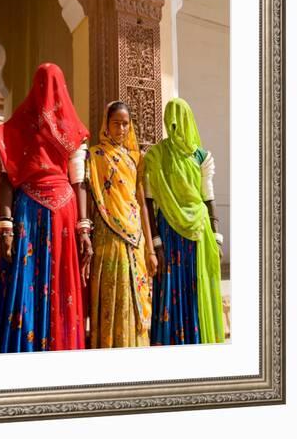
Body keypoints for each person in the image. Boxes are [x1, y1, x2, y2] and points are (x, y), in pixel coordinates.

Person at [0, 62, 92, 353]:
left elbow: (78, 179)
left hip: (42, 214)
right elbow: (77, 181)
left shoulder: (55, 129)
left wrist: (84, 228)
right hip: (44, 214)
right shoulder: (32, 127)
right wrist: (5, 226)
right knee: (30, 283)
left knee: (43, 284)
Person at [144, 98, 225, 345]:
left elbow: (208, 197)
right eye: (171, 120)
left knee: (195, 286)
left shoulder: (202, 156)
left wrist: (217, 236)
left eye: (179, 120)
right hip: (168, 231)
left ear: (188, 120)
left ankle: (196, 341)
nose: (175, 125)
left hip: (199, 233)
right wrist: (156, 242)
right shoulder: (156, 155)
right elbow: (148, 200)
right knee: (171, 285)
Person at [85, 101, 157, 348]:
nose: (122, 128)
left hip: (135, 234)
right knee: (113, 289)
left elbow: (142, 202)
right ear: (106, 124)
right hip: (108, 232)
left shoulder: (136, 158)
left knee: (135, 289)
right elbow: (92, 196)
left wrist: (150, 248)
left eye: (126, 124)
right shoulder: (95, 156)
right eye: (116, 123)